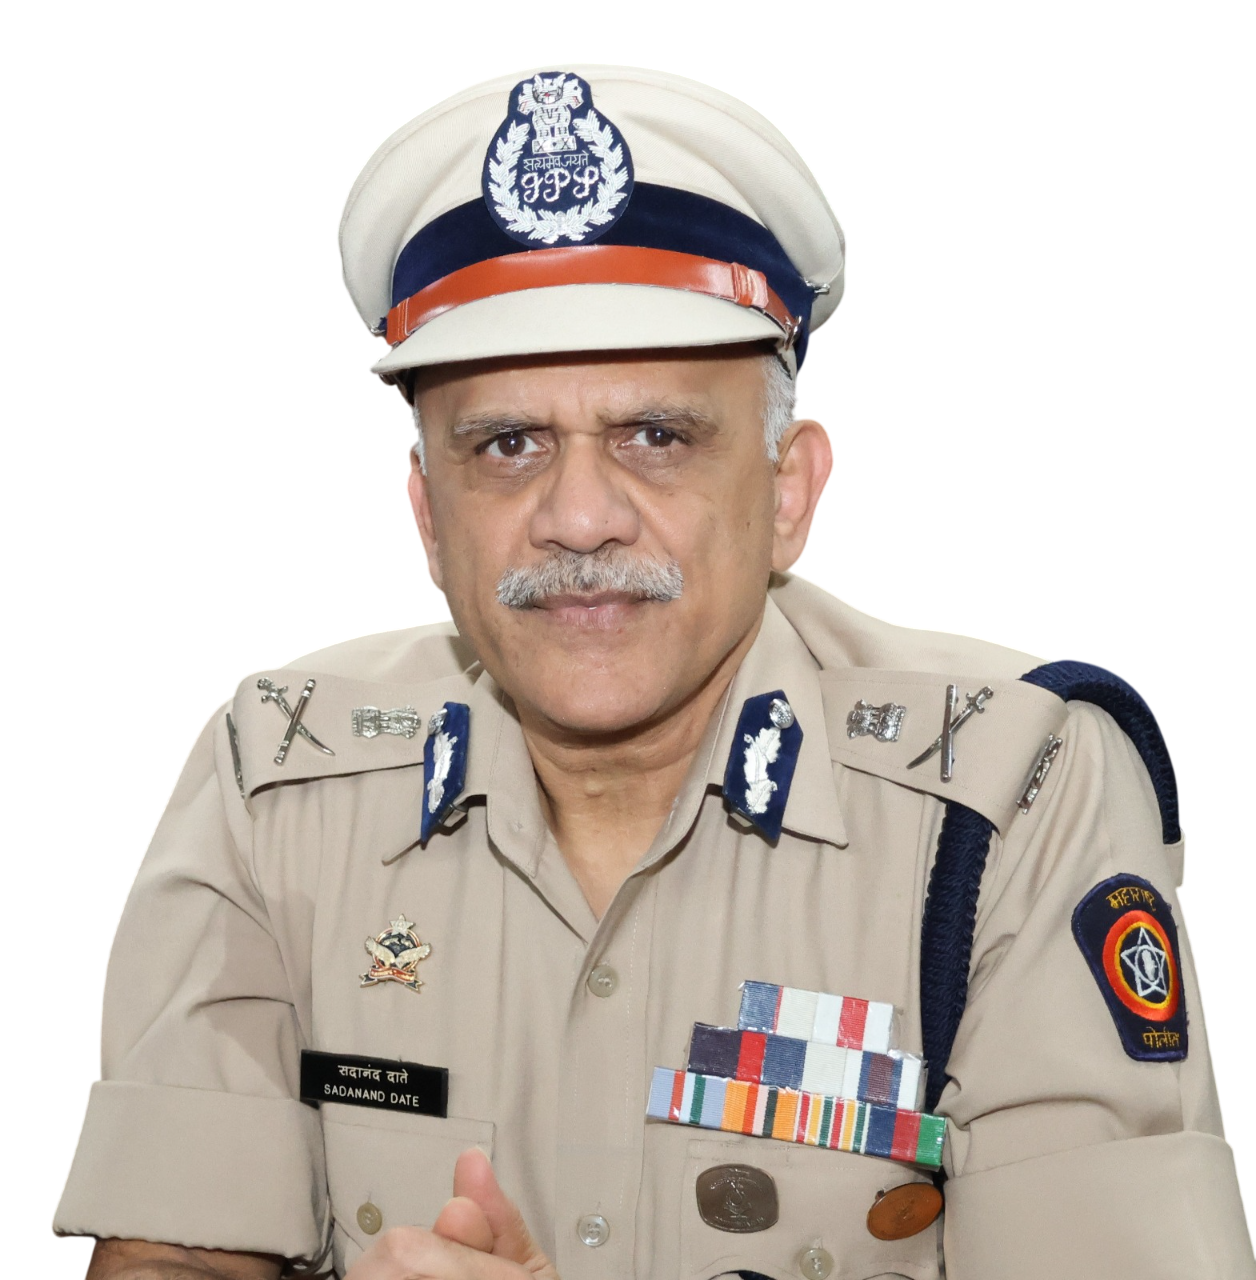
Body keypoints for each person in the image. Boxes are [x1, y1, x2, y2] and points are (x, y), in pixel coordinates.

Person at [57, 62, 1249, 1280]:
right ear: (426, 516)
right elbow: (168, 1260)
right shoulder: (274, 778)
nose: (578, 517)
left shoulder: (1007, 790)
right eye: (506, 443)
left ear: (787, 492)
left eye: (656, 434)